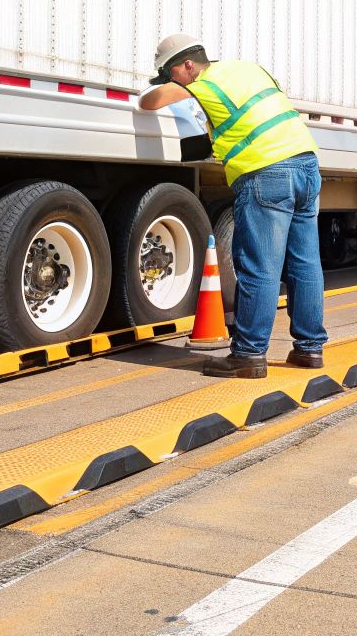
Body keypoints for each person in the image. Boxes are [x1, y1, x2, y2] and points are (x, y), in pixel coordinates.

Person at [137, 33, 328, 378]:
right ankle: (310, 349)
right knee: (305, 264)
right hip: (306, 164)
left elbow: (150, 103)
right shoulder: (248, 69)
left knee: (259, 267)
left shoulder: (202, 83)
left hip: (266, 171)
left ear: (188, 66)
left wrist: (162, 88)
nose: (172, 81)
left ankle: (249, 355)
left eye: (171, 74)